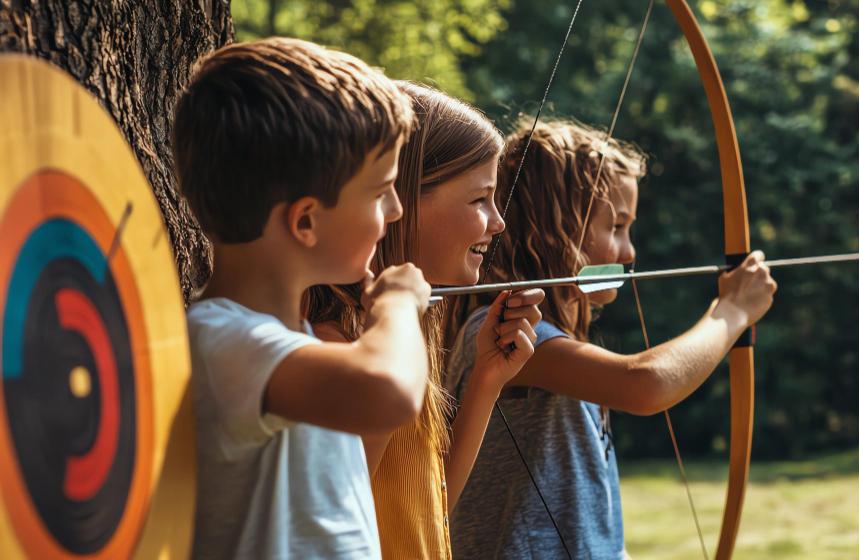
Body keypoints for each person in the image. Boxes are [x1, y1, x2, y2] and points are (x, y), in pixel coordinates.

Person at [445, 120, 778, 559]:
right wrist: (732, 313)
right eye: (616, 226)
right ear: (555, 229)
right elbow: (646, 384)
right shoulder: (502, 330)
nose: (630, 251)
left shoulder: (547, 338)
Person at [173, 38, 430, 559]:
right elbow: (390, 394)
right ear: (306, 221)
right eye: (381, 191)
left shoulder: (289, 342)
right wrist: (398, 305)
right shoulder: (224, 341)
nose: (398, 210)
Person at [305, 82, 544, 559]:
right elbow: (335, 518)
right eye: (480, 200)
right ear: (400, 203)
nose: (498, 222)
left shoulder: (401, 334)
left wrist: (486, 380)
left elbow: (429, 512)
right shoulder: (336, 346)